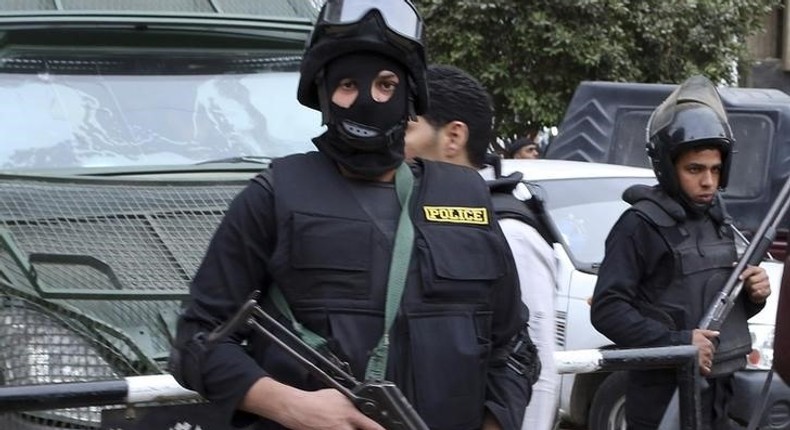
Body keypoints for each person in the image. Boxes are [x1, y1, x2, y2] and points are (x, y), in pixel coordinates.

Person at [169, 1, 535, 429]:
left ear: (410, 96)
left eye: (385, 84)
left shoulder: (467, 196)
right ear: (324, 95)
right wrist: (290, 405)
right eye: (346, 84)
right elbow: (196, 342)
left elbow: (513, 346)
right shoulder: (274, 194)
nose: (366, 99)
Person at [590, 75, 771, 430]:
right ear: (668, 168)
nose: (708, 181)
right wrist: (678, 343)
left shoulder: (720, 222)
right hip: (662, 395)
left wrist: (755, 295)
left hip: (720, 392)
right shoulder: (639, 225)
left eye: (715, 170)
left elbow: (716, 303)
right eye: (695, 169)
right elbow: (608, 310)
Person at [404, 64, 556, 430]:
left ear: (453, 137)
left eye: (408, 126)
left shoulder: (506, 229)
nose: (393, 138)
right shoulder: (420, 212)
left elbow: (534, 371)